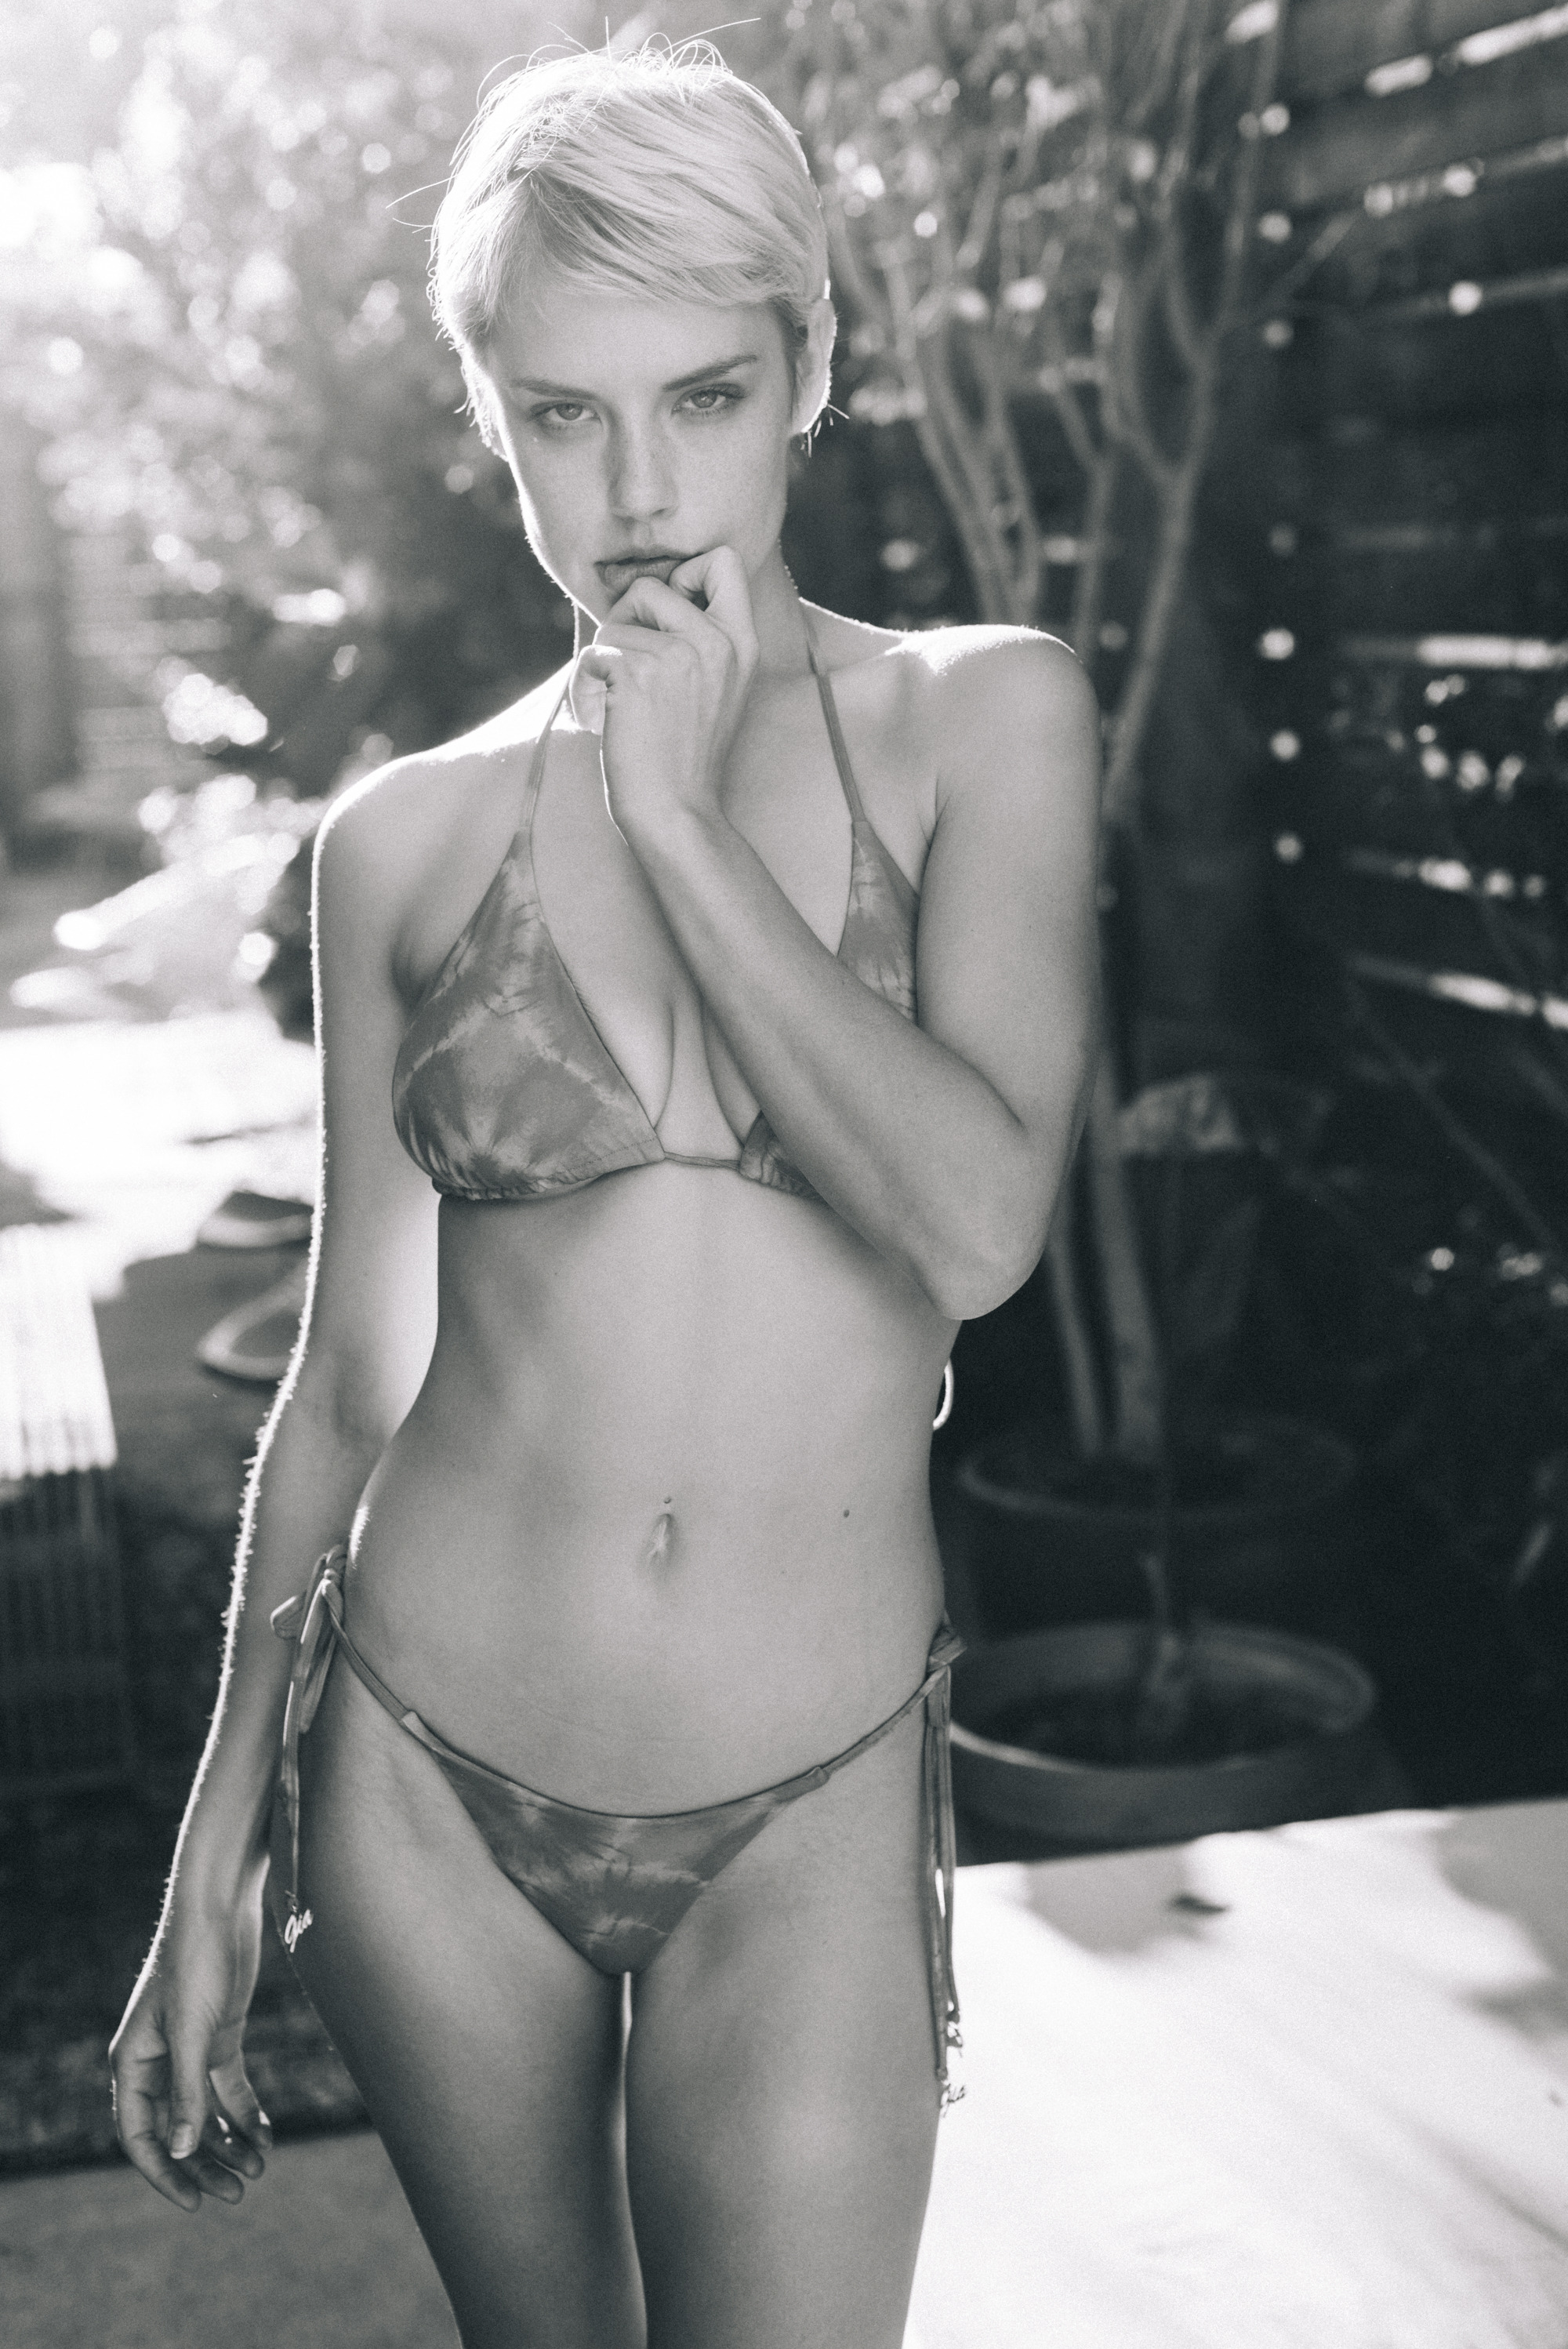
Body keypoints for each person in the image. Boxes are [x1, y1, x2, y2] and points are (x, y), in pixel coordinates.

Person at [110, 42, 1101, 2349]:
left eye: (705, 398)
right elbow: (352, 1377)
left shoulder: (982, 723)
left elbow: (977, 1231)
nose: (643, 491)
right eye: (565, 415)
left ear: (808, 372)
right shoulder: (402, 842)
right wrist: (216, 1836)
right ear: (494, 417)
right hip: (429, 1779)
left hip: (807, 1789)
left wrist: (673, 811)